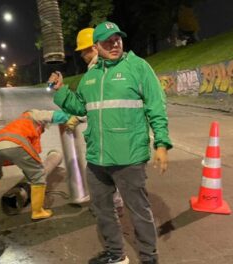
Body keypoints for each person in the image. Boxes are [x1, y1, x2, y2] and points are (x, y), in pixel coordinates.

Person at [48, 21, 172, 264]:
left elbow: (156, 107)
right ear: (97, 46)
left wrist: (161, 144)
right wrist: (61, 91)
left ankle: (149, 258)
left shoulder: (138, 67)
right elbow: (80, 107)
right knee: (103, 211)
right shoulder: (90, 77)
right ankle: (117, 256)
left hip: (129, 158)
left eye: (118, 39)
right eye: (107, 41)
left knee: (139, 213)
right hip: (97, 158)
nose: (114, 44)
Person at [0, 109, 80, 220]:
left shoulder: (20, 123)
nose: (43, 129)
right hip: (15, 143)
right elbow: (55, 115)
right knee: (38, 175)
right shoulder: (33, 114)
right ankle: (38, 212)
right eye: (43, 127)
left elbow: (31, 153)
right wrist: (71, 117)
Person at [75, 27, 124, 217]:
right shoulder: (96, 68)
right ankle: (112, 205)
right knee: (108, 172)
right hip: (106, 132)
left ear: (95, 48)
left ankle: (112, 207)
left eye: (84, 50)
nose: (81, 55)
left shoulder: (100, 69)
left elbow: (100, 103)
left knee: (104, 173)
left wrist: (77, 117)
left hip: (108, 133)